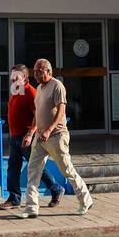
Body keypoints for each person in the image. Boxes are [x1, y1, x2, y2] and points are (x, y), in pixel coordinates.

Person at [14, 58, 94, 218]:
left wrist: (49, 130)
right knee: (33, 170)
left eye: (39, 71)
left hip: (56, 136)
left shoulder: (57, 86)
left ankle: (86, 200)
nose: (36, 74)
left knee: (66, 170)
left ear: (48, 71)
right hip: (40, 137)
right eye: (34, 71)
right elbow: (37, 114)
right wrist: (31, 133)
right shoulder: (40, 89)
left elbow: (61, 111)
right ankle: (31, 208)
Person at [0, 64, 62, 209]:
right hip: (14, 137)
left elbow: (38, 116)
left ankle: (56, 189)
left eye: (16, 76)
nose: (13, 79)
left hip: (26, 138)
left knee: (37, 168)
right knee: (13, 168)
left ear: (25, 77)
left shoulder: (32, 93)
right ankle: (14, 199)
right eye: (12, 76)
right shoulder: (16, 92)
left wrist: (30, 134)